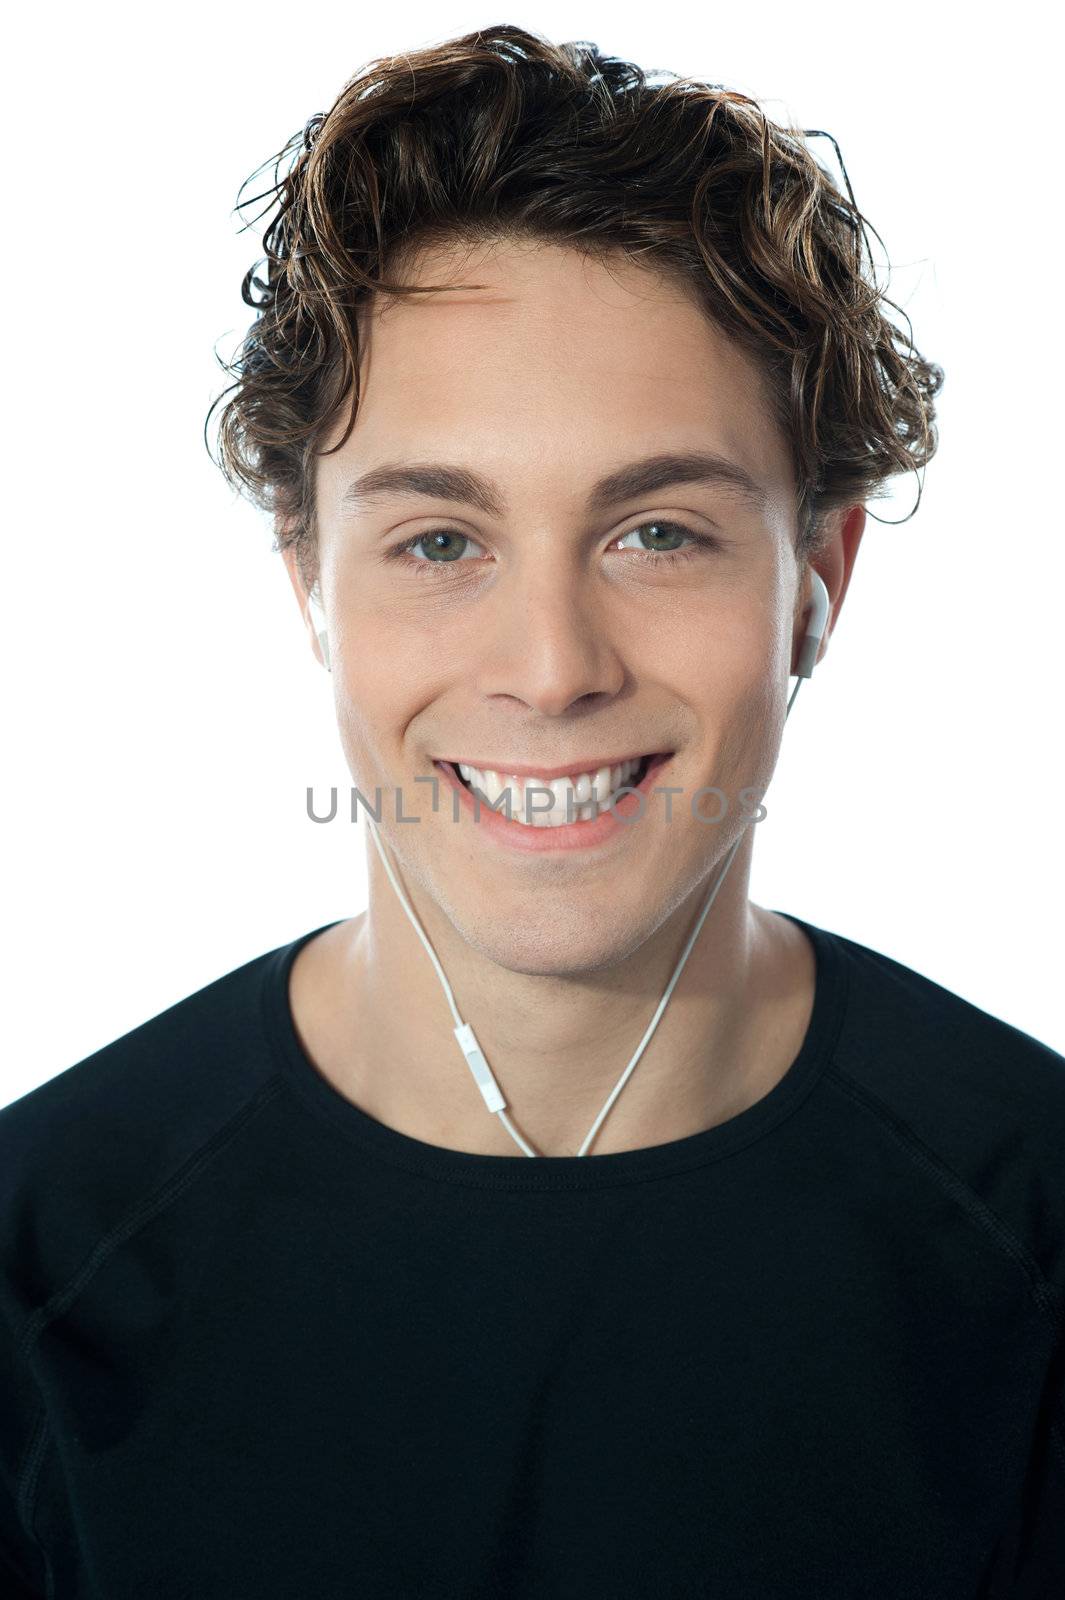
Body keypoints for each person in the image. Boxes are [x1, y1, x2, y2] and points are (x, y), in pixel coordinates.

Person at [2, 23, 1062, 1598]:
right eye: (439, 541)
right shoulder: (39, 1270)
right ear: (312, 581)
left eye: (656, 532)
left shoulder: (1031, 1249)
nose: (552, 669)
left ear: (813, 586)